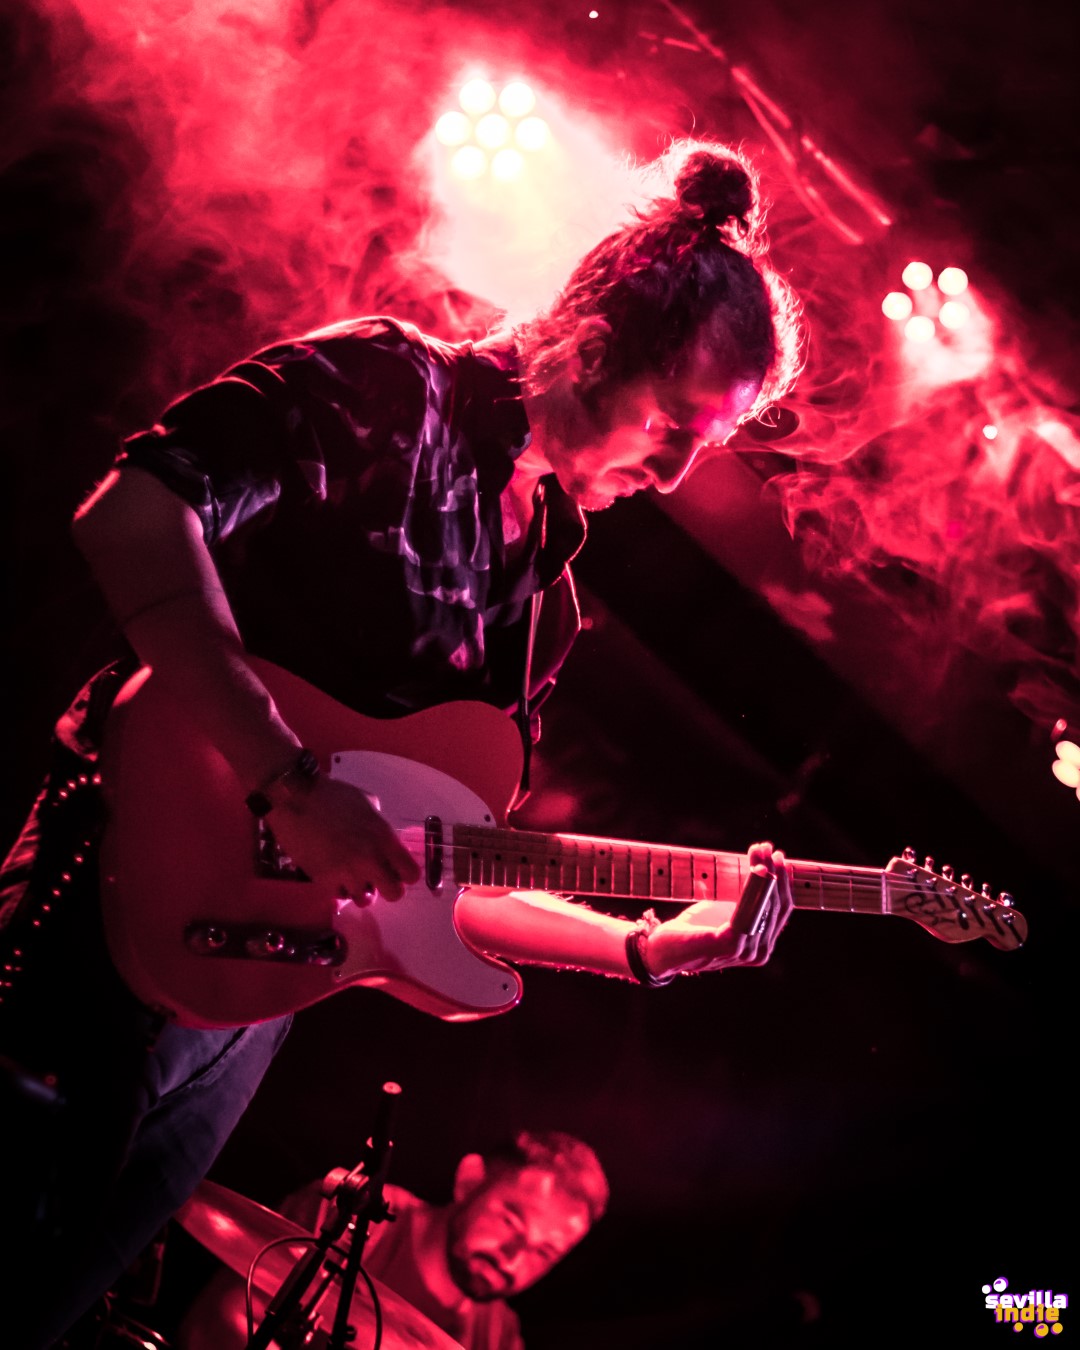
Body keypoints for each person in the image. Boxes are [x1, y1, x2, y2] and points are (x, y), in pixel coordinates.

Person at [0, 140, 802, 1346]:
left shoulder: (545, 605)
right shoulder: (390, 389)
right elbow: (133, 510)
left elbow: (438, 869)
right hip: (105, 908)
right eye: (674, 422)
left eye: (710, 442)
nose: (680, 471)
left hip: (252, 1004)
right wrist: (285, 779)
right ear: (594, 347)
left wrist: (647, 948)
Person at [178, 1130, 608, 1350]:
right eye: (511, 1221)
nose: (513, 1259)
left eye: (544, 1253)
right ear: (469, 1180)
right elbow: (221, 1321)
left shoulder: (498, 1336)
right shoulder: (355, 1218)